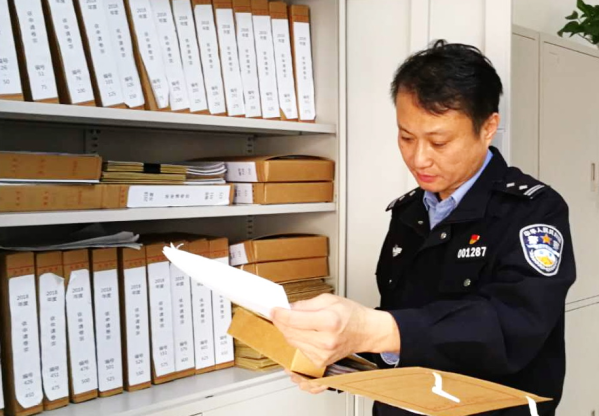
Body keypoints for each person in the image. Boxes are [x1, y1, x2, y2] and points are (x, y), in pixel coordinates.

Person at [271, 40, 576, 416]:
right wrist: (337, 357)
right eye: (406, 137)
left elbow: (511, 326)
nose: (418, 158)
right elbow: (404, 328)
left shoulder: (533, 211)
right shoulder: (409, 211)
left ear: (488, 128)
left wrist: (372, 328)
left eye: (439, 142)